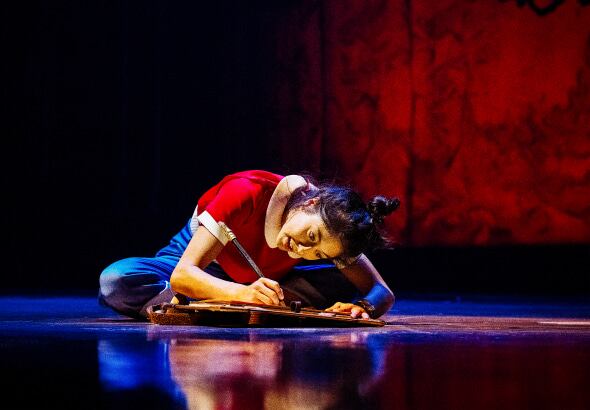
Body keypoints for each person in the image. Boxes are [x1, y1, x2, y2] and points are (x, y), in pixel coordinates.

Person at [99, 170, 400, 319]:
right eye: (311, 237)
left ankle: (210, 307)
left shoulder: (335, 230)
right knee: (117, 280)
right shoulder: (247, 192)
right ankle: (220, 303)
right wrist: (241, 293)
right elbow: (182, 275)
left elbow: (381, 291)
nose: (302, 251)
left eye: (317, 253)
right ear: (312, 201)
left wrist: (363, 308)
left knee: (343, 285)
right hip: (203, 264)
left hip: (265, 282)